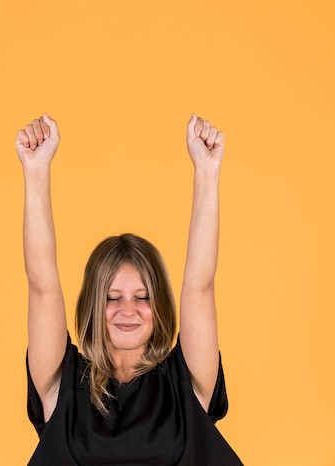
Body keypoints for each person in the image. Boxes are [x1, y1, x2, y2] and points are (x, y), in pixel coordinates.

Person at [16, 113, 243, 466]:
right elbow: (42, 286)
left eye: (142, 297)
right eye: (111, 297)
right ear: (93, 304)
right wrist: (35, 170)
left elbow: (200, 286)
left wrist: (208, 171)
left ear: (160, 307)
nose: (128, 310)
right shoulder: (62, 384)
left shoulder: (187, 382)